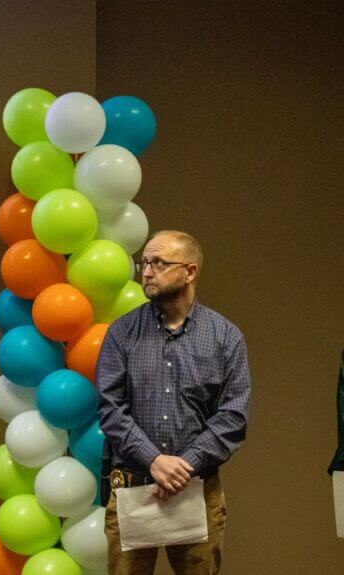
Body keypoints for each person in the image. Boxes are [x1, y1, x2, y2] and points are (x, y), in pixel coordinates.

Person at [96, 230, 251, 574]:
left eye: (159, 263)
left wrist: (182, 467)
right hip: (134, 488)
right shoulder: (122, 333)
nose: (147, 272)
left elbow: (232, 416)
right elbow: (109, 408)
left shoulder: (225, 337)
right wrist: (154, 461)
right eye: (145, 263)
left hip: (197, 489)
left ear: (190, 271)